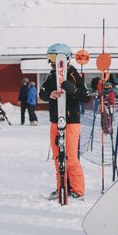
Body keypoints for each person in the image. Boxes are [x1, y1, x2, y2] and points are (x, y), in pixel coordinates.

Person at [40, 43, 90, 199]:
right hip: (55, 121)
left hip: (71, 122)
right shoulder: (51, 76)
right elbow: (42, 93)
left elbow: (85, 96)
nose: (51, 62)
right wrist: (50, 94)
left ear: (65, 58)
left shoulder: (74, 75)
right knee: (57, 158)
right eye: (50, 58)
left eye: (54, 58)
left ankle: (77, 190)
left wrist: (73, 89)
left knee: (71, 158)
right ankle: (62, 187)